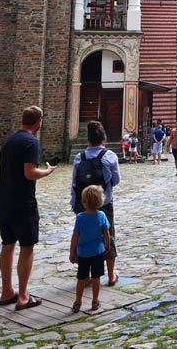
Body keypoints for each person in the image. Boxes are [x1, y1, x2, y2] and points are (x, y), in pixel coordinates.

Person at [0, 105, 58, 311]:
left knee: (7, 245)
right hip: (23, 202)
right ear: (39, 122)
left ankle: (6, 292)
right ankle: (22, 296)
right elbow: (29, 173)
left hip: (3, 200)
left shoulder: (9, 140)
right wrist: (47, 172)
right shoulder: (31, 141)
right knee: (27, 247)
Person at [71, 120, 122, 287]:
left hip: (83, 205)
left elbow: (74, 183)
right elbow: (116, 180)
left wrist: (75, 203)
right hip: (104, 204)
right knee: (108, 236)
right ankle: (111, 274)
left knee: (83, 237)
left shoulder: (80, 158)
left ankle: (85, 275)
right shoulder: (110, 156)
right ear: (103, 137)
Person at [69, 184, 111, 313]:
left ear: (84, 201)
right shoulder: (102, 216)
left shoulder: (80, 217)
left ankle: (78, 301)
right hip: (98, 251)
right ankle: (94, 300)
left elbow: (75, 236)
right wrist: (108, 246)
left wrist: (72, 252)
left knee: (81, 278)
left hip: (83, 253)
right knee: (96, 278)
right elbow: (106, 233)